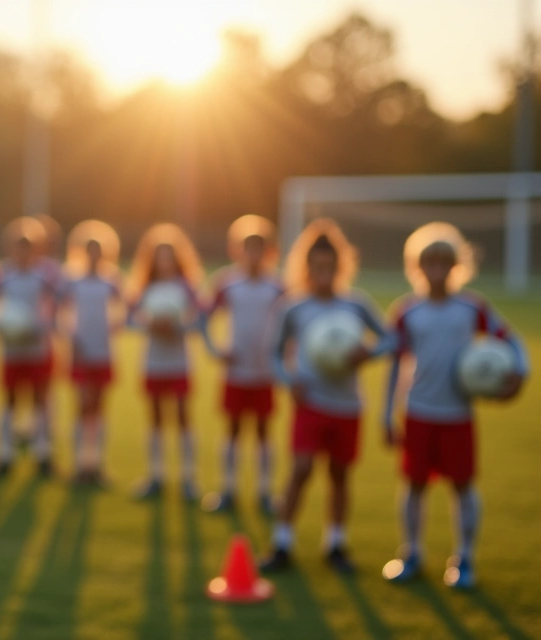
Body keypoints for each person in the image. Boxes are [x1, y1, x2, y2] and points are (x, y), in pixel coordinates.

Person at [381, 223, 529, 589]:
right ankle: (411, 552)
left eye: (444, 260)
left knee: (462, 487)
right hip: (418, 413)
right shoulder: (407, 311)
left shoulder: (471, 307)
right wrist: (386, 414)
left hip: (458, 415)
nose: (436, 267)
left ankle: (464, 560)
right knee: (413, 485)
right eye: (428, 260)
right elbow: (394, 362)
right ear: (416, 266)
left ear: (456, 265)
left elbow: (510, 339)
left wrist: (519, 374)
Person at [259, 219, 390, 574]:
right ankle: (282, 543)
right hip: (311, 403)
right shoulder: (293, 307)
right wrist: (290, 380)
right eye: (317, 267)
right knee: (300, 470)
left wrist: (368, 353)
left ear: (341, 267)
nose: (323, 273)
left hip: (347, 404)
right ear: (306, 267)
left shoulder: (355, 304)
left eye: (330, 267)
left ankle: (335, 544)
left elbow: (391, 338)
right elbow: (273, 352)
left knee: (339, 474)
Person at [201, 215, 285, 514]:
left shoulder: (277, 287)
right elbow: (205, 318)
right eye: (248, 247)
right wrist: (216, 349)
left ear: (269, 251)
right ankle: (229, 489)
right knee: (233, 431)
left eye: (259, 248)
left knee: (264, 432)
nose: (253, 254)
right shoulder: (227, 283)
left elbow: (291, 325)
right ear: (237, 250)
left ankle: (265, 491)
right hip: (236, 371)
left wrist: (281, 355)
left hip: (264, 373)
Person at [126, 223, 204, 502]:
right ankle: (156, 476)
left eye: (169, 255)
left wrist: (179, 327)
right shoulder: (146, 287)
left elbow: (199, 319)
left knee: (183, 418)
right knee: (156, 418)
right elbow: (130, 318)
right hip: (154, 361)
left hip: (179, 361)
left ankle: (187, 478)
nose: (164, 261)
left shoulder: (186, 286)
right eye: (159, 255)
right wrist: (149, 324)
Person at [0, 217, 61, 478]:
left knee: (41, 400)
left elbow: (57, 304)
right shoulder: (3, 274)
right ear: (10, 248)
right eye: (19, 246)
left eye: (28, 247)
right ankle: (4, 455)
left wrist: (42, 325)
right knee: (9, 400)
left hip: (38, 347)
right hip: (12, 349)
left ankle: (43, 455)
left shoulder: (45, 275)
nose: (23, 252)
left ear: (36, 248)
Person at [59, 220, 123, 484]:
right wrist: (72, 338)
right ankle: (79, 464)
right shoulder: (72, 281)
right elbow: (60, 314)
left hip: (103, 352)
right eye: (89, 249)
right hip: (81, 352)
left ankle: (95, 464)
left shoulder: (112, 280)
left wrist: (112, 329)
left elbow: (125, 311)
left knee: (99, 408)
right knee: (82, 406)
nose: (94, 254)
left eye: (98, 249)